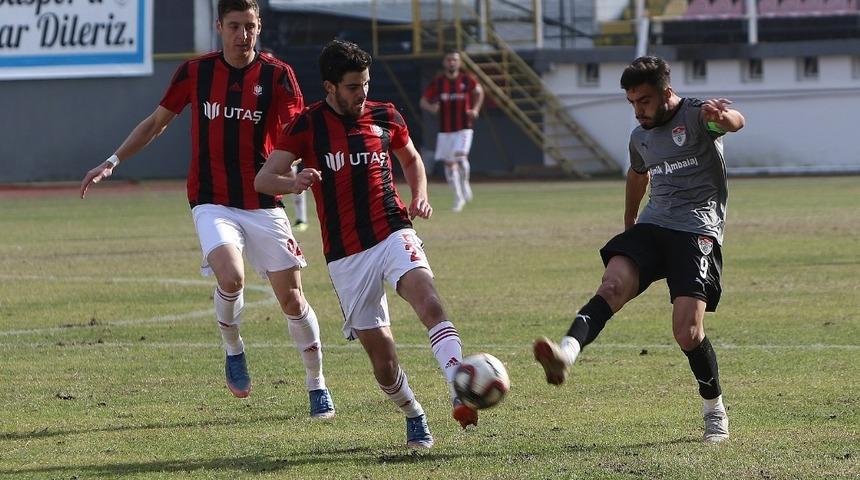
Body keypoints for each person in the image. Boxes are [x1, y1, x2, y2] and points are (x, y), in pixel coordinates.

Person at [79, 0, 335, 418]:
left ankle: (316, 382)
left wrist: (304, 166)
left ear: (259, 26)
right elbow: (156, 123)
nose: (243, 35)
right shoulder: (195, 72)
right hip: (211, 199)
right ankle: (234, 348)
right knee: (231, 276)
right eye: (234, 26)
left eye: (249, 26)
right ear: (219, 26)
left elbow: (296, 131)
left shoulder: (278, 75)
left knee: (292, 300)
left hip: (263, 200)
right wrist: (112, 161)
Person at [255, 39, 478, 449]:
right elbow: (263, 179)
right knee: (384, 358)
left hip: (393, 229)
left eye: (366, 84)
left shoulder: (385, 115)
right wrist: (294, 181)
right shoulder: (308, 124)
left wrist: (419, 195)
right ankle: (413, 412)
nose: (363, 93)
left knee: (429, 301)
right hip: (347, 255)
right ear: (330, 87)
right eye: (353, 87)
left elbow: (411, 158)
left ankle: (458, 385)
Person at [533, 56, 744, 444]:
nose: (638, 110)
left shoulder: (698, 116)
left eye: (644, 101)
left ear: (666, 92)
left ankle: (714, 408)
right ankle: (565, 353)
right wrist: (630, 220)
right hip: (653, 225)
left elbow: (734, 122)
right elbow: (637, 173)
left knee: (687, 332)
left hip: (697, 229)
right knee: (611, 286)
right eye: (631, 102)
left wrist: (724, 116)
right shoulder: (640, 136)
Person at [420, 50, 484, 212]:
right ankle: (458, 197)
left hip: (464, 127)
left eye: (455, 60)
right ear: (444, 63)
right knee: (449, 164)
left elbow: (479, 91)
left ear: (459, 63)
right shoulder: (438, 82)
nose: (452, 62)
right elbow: (423, 101)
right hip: (445, 130)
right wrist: (432, 107)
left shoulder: (466, 79)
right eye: (449, 59)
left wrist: (475, 109)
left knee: (460, 158)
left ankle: (465, 183)